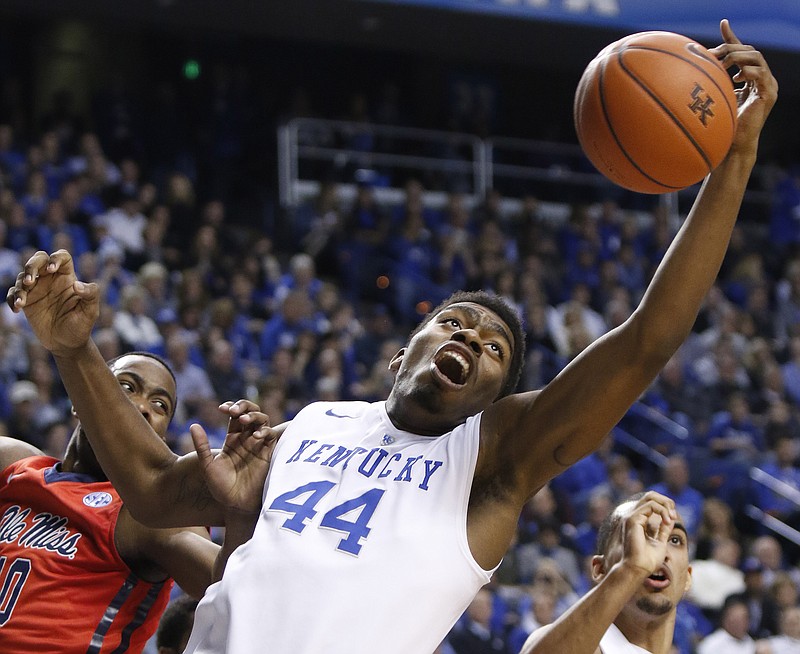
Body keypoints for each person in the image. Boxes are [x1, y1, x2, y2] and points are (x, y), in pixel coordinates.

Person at [5, 20, 778, 654]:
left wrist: (734, 157)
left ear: (491, 401)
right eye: (454, 322)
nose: (472, 339)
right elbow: (146, 487)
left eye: (495, 350)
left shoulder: (489, 464)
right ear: (399, 350)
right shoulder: (309, 426)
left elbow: (647, 340)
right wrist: (76, 351)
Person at [0, 350, 269, 652]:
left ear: (161, 440)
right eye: (127, 387)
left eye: (160, 405)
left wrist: (239, 511)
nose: (142, 407)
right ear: (80, 399)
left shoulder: (148, 517)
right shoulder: (12, 463)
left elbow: (232, 587)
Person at [519, 491, 690, 654]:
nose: (659, 552)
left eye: (675, 540)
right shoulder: (559, 641)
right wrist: (631, 569)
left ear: (688, 577)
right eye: (635, 536)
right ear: (600, 570)